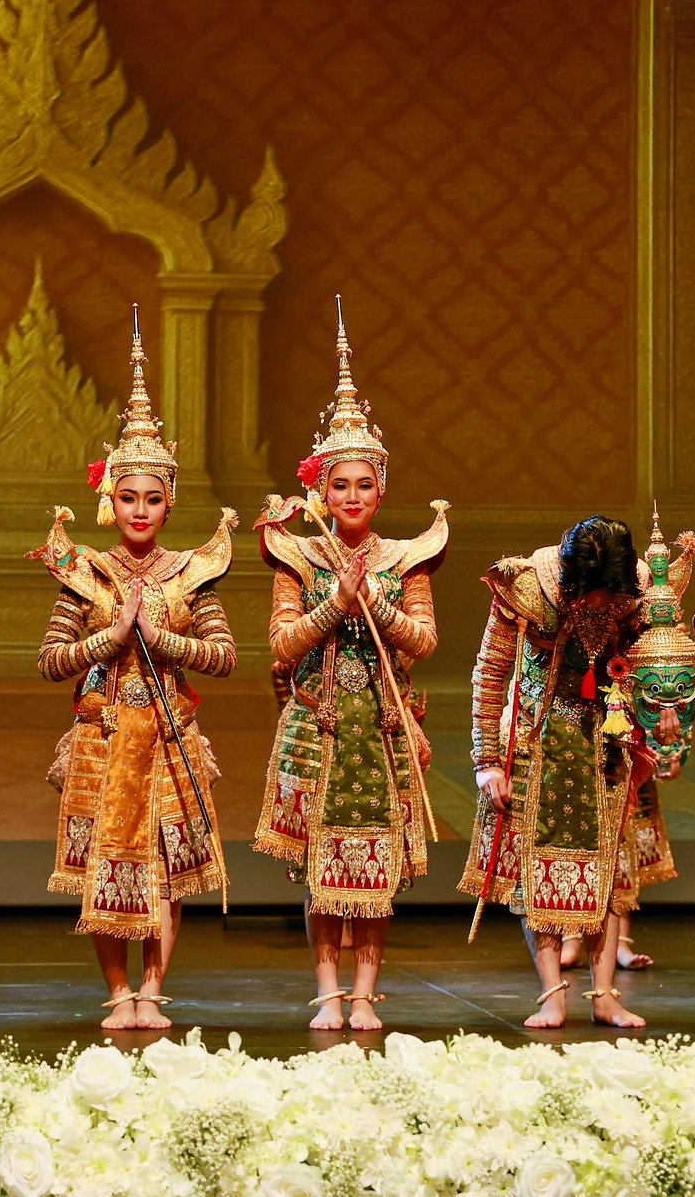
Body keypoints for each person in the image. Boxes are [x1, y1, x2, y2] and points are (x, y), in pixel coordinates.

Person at [32, 317, 236, 1031]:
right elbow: (50, 660)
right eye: (128, 498)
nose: (140, 511)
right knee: (107, 869)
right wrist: (110, 639)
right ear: (109, 501)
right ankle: (118, 992)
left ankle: (154, 990)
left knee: (167, 874)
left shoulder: (191, 573)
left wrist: (162, 639)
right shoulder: (86, 573)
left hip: (170, 740)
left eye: (152, 499)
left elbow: (225, 656)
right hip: (103, 738)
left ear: (169, 500)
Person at [253, 309, 446, 1031]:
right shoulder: (301, 556)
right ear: (322, 493)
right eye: (340, 486)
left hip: (383, 728)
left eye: (365, 484)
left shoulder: (406, 558)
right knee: (320, 871)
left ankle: (367, 992)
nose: (353, 497)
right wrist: (337, 602)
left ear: (382, 488)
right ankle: (329, 990)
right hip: (321, 728)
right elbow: (281, 645)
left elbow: (424, 641)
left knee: (377, 870)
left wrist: (378, 606)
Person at [460, 515, 684, 1030]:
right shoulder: (525, 588)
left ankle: (604, 996)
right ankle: (552, 995)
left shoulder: (638, 595)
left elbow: (659, 666)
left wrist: (665, 712)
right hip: (534, 741)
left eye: (610, 595)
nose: (601, 604)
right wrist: (487, 761)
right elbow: (490, 672)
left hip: (607, 741)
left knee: (608, 871)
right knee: (535, 874)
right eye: (592, 594)